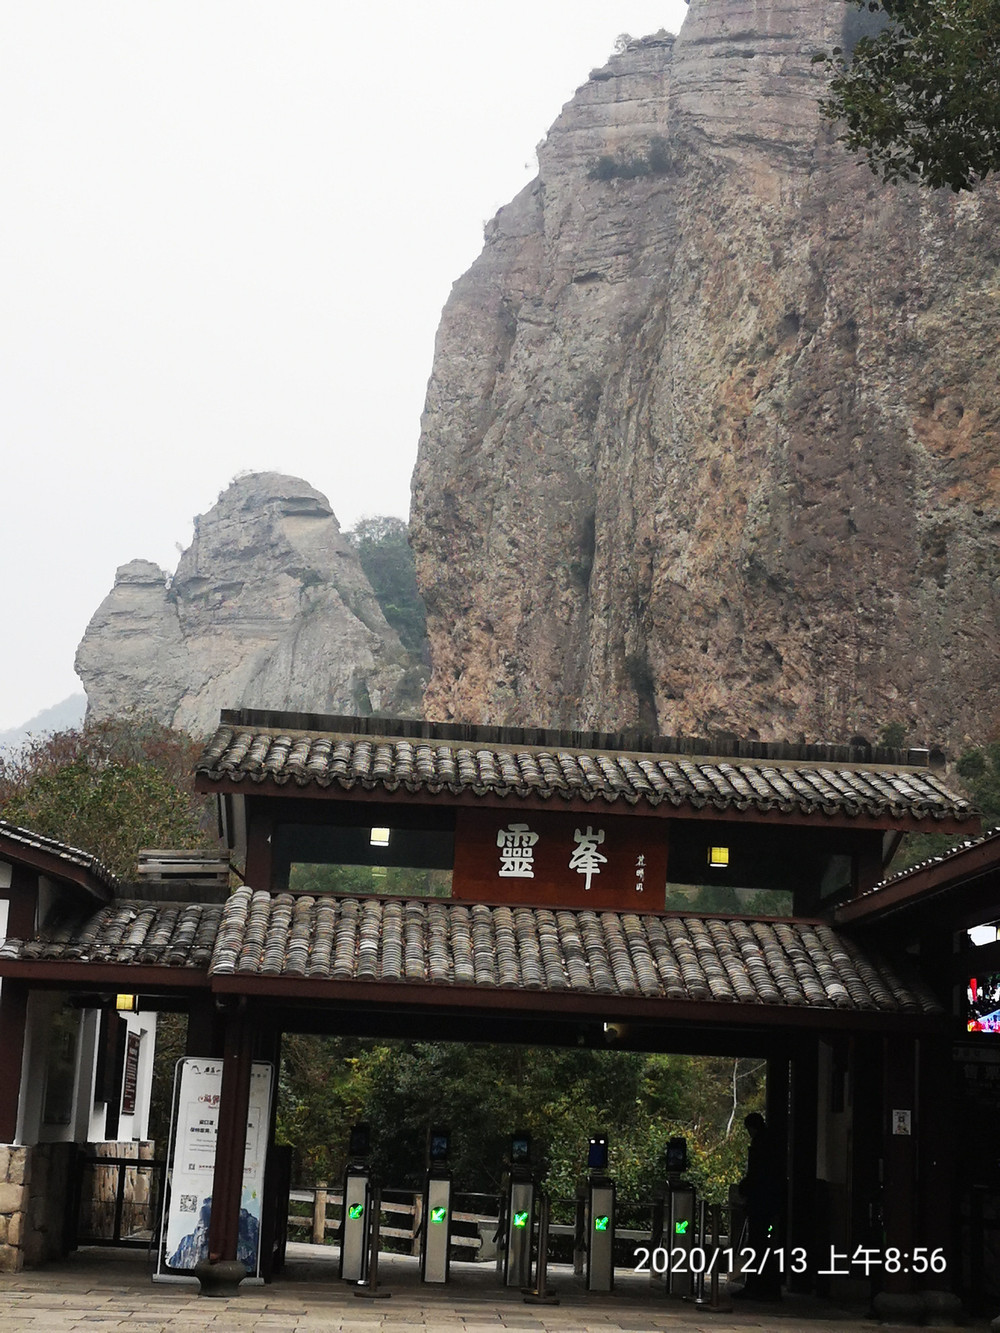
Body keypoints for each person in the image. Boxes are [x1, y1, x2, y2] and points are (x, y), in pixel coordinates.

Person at [734, 1112, 785, 1301]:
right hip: (770, 1203)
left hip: (760, 1204)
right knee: (765, 1246)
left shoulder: (760, 1146)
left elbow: (756, 1174)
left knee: (757, 1245)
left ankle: (755, 1285)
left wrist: (745, 1187)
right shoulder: (773, 1145)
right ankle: (768, 1286)